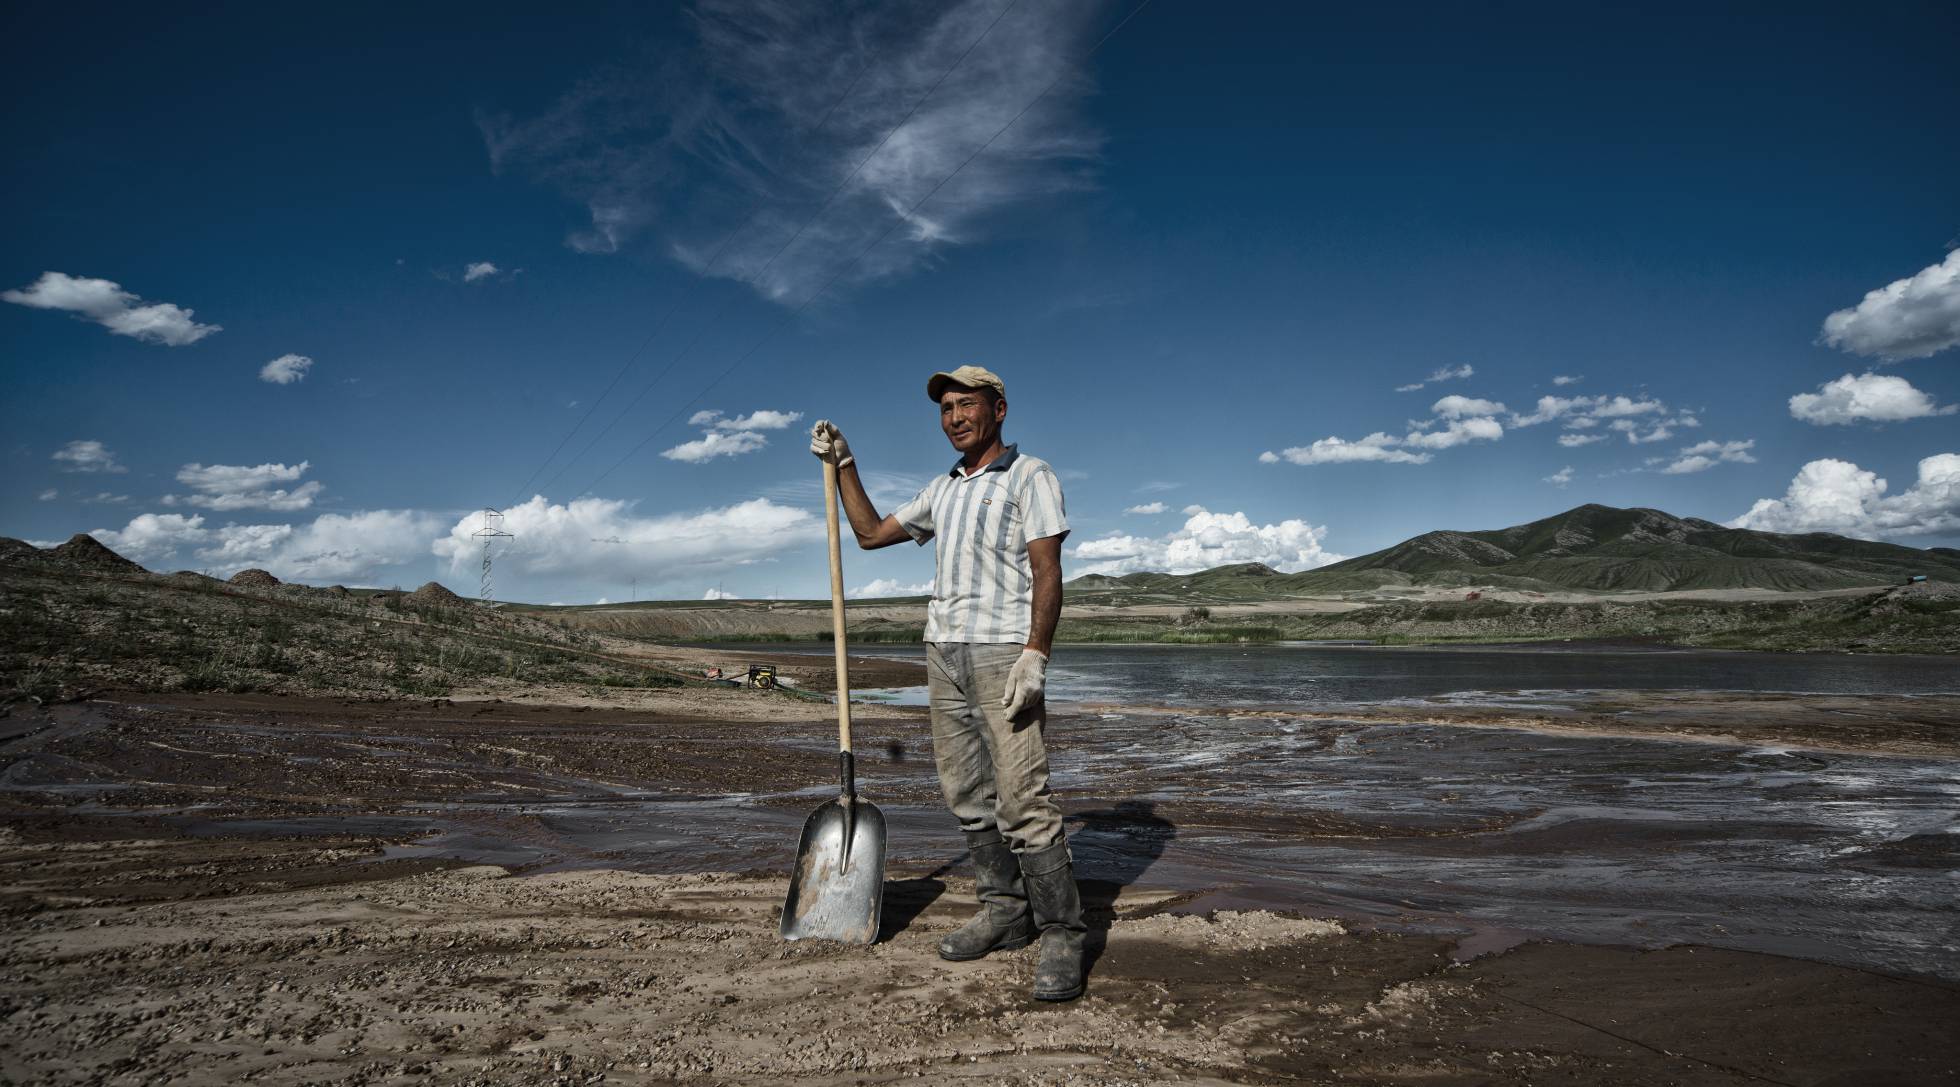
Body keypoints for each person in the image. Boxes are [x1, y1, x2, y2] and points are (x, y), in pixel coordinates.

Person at [809, 364, 1085, 1001]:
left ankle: (1063, 932)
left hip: (1001, 655)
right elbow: (871, 534)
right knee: (966, 792)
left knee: (1023, 800)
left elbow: (1048, 571)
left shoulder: (1029, 475)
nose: (955, 417)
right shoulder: (944, 489)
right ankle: (1004, 911)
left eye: (967, 405)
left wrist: (1035, 654)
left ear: (999, 409)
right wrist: (845, 463)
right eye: (946, 409)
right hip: (944, 654)